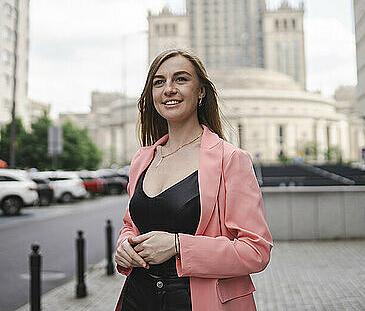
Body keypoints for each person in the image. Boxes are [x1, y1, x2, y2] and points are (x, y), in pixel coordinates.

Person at [114, 49, 273, 310]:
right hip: (138, 298)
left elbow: (256, 251)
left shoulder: (230, 159)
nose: (168, 89)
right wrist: (124, 246)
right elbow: (130, 226)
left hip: (197, 301)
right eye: (159, 82)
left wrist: (178, 245)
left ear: (201, 92)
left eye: (181, 79)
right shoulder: (142, 159)